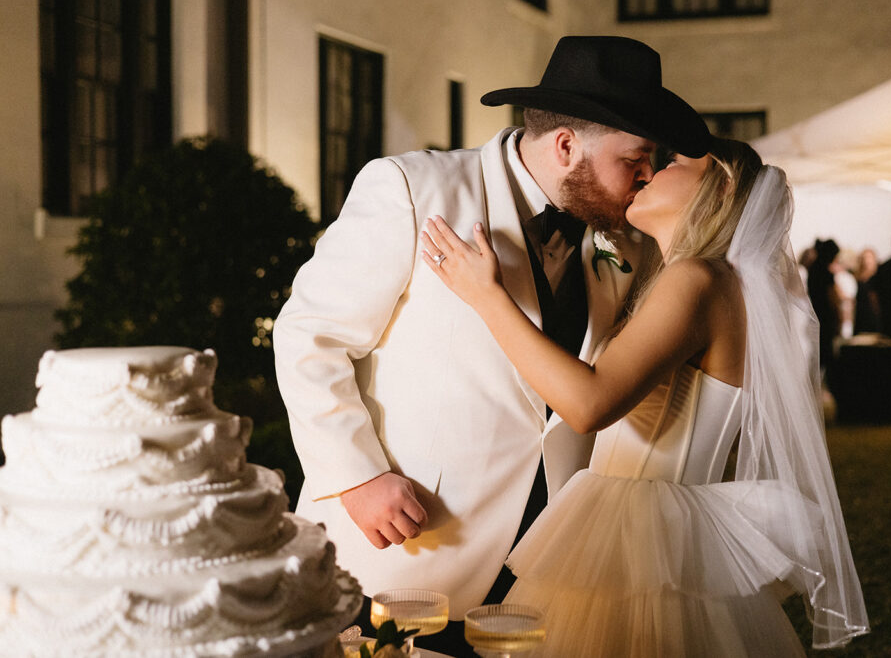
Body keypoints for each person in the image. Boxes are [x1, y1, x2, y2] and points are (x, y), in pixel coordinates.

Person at [273, 35, 710, 654]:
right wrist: (357, 477)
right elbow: (308, 336)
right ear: (566, 146)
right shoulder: (412, 188)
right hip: (411, 547)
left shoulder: (628, 239)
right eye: (635, 158)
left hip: (550, 566)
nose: (646, 176)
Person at [421, 137, 869, 656]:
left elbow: (589, 404)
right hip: (670, 524)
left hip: (639, 531)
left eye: (676, 162)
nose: (650, 170)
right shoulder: (717, 282)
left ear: (719, 191)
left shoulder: (696, 279)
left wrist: (486, 295)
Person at [806, 239, 845, 377]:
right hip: (826, 317)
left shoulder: (813, 269)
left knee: (819, 352)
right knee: (827, 353)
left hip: (816, 313)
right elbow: (833, 298)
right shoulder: (825, 272)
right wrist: (839, 316)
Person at [853, 247, 881, 334]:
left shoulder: (878, 278)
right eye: (864, 258)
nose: (867, 261)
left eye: (869, 258)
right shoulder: (856, 278)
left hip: (873, 316)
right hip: (859, 315)